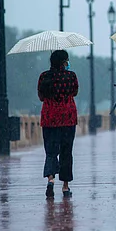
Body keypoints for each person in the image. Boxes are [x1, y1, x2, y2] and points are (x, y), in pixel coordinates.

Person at [38, 49, 79, 199]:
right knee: (66, 152)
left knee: (50, 151)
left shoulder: (44, 76)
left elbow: (41, 97)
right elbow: (74, 92)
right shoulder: (71, 76)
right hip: (68, 118)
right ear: (64, 62)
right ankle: (65, 187)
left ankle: (51, 179)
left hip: (49, 118)